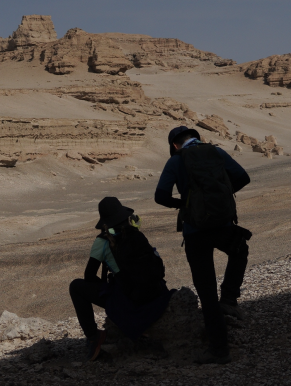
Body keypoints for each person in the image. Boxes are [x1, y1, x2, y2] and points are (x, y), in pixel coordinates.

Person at [155, 126, 251, 364]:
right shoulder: (216, 152)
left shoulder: (176, 161)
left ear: (175, 145)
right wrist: (221, 194)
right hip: (223, 225)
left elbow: (161, 196)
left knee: (207, 291)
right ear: (196, 138)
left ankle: (219, 350)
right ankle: (229, 298)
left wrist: (186, 204)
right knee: (240, 250)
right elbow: (243, 178)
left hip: (195, 232)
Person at [69, 197, 173, 361]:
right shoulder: (136, 233)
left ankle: (94, 336)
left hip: (131, 297)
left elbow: (89, 275)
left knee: (75, 287)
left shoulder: (103, 241)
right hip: (156, 293)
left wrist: (106, 287)